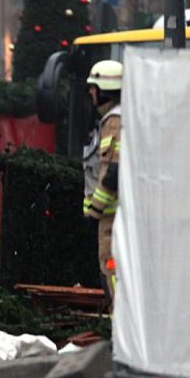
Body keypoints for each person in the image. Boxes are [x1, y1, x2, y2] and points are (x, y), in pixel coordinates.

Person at [82, 59, 122, 302]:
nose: (90, 93)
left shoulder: (114, 123)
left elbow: (112, 174)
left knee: (112, 272)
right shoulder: (110, 121)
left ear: (104, 91)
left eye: (93, 88)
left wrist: (94, 212)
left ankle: (118, 330)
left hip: (110, 218)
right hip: (109, 217)